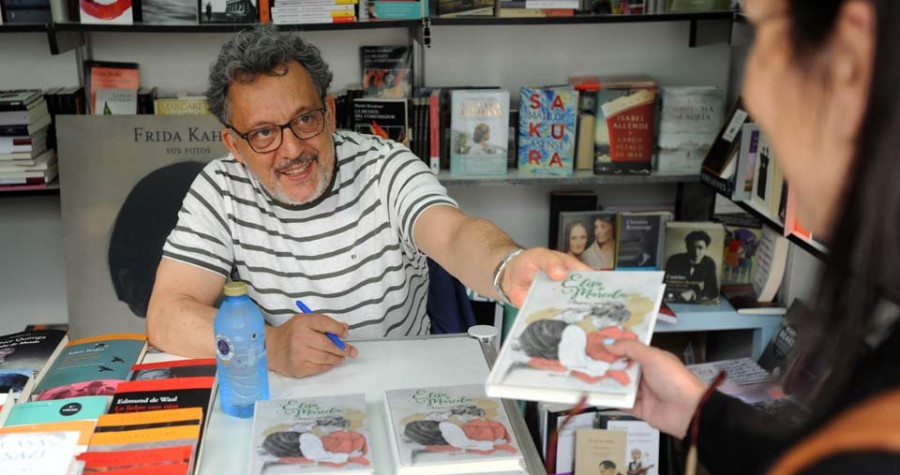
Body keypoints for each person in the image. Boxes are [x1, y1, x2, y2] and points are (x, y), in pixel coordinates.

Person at [145, 25, 587, 379]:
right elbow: (167, 314)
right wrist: (271, 347)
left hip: (406, 384)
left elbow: (452, 233)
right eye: (263, 133)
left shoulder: (386, 165)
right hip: (282, 388)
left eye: (305, 119)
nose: (292, 149)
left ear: (330, 113)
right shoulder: (220, 187)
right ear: (234, 144)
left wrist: (506, 265)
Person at [602, 0, 900, 475]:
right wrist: (703, 415)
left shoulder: (860, 466)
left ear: (848, 56)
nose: (752, 101)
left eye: (764, 33)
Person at [663, 230, 719, 302]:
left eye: (700, 248)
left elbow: (713, 292)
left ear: (706, 249)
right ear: (687, 247)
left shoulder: (709, 263)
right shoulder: (674, 260)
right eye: (692, 247)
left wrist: (694, 294)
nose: (696, 252)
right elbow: (666, 287)